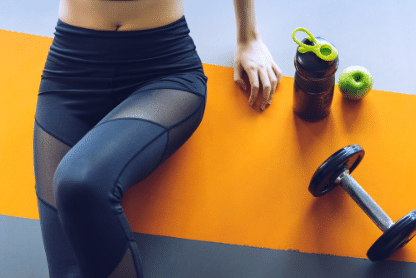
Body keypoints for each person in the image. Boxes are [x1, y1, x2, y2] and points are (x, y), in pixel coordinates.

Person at [33, 0, 282, 277]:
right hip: (70, 73)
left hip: (163, 71)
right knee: (67, 271)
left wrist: (249, 38)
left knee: (79, 182)